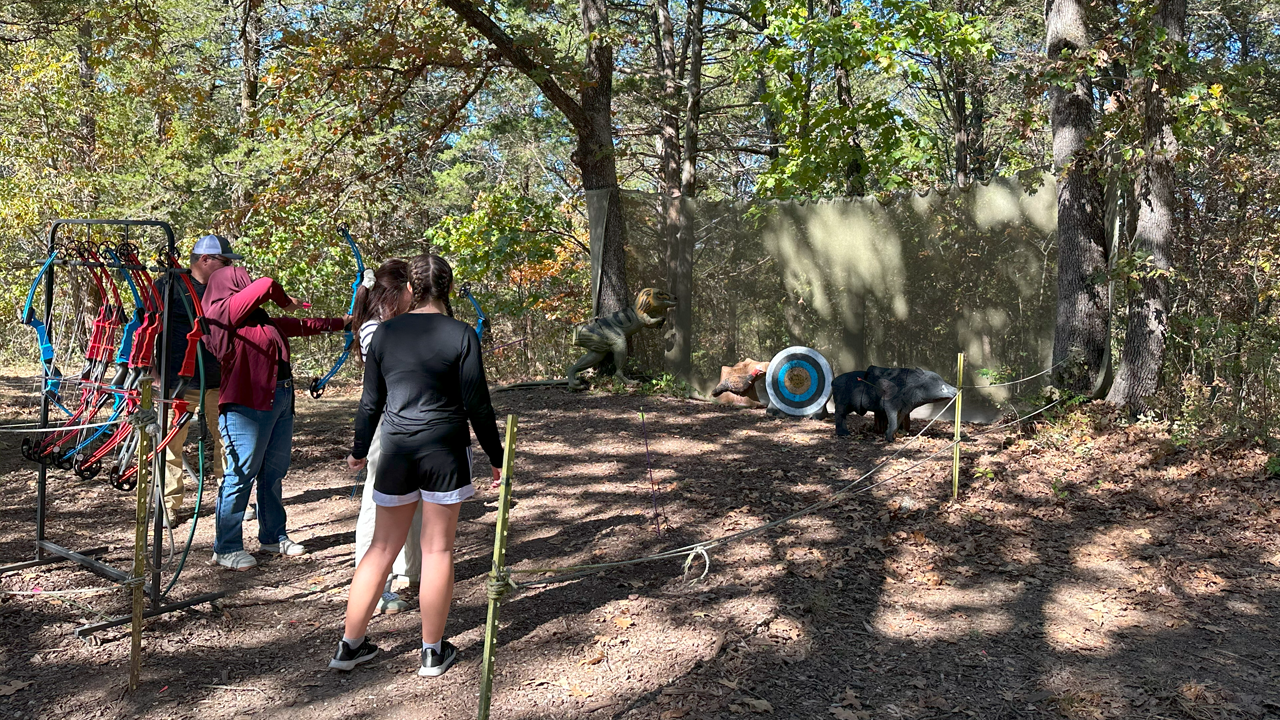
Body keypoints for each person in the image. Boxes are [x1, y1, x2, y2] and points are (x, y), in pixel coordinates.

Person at [330, 253, 503, 677]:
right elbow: (477, 404)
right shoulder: (462, 334)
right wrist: (498, 459)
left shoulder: (385, 333)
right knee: (438, 548)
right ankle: (431, 652)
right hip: (444, 449)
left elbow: (370, 401)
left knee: (381, 548)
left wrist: (358, 449)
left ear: (410, 289)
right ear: (446, 288)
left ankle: (349, 647)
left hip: (396, 450)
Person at [203, 263, 347, 571]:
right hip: (246, 406)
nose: (247, 286)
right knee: (240, 475)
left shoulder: (259, 320)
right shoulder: (221, 313)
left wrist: (346, 322)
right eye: (242, 282)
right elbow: (267, 283)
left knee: (272, 474)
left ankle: (272, 536)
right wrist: (287, 300)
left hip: (279, 400)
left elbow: (303, 325)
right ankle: (226, 547)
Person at [350, 259, 422, 614]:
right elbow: (379, 391)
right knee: (378, 503)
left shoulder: (397, 326)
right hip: (387, 425)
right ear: (397, 292)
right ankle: (375, 584)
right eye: (411, 289)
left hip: (408, 422)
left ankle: (409, 570)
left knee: (413, 496)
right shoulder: (375, 330)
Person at [155, 235, 235, 526]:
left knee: (228, 441)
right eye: (224, 262)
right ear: (205, 260)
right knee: (170, 445)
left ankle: (230, 501)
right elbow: (148, 327)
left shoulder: (227, 287)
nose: (228, 268)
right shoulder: (168, 285)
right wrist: (152, 374)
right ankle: (168, 505)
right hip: (177, 382)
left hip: (220, 380)